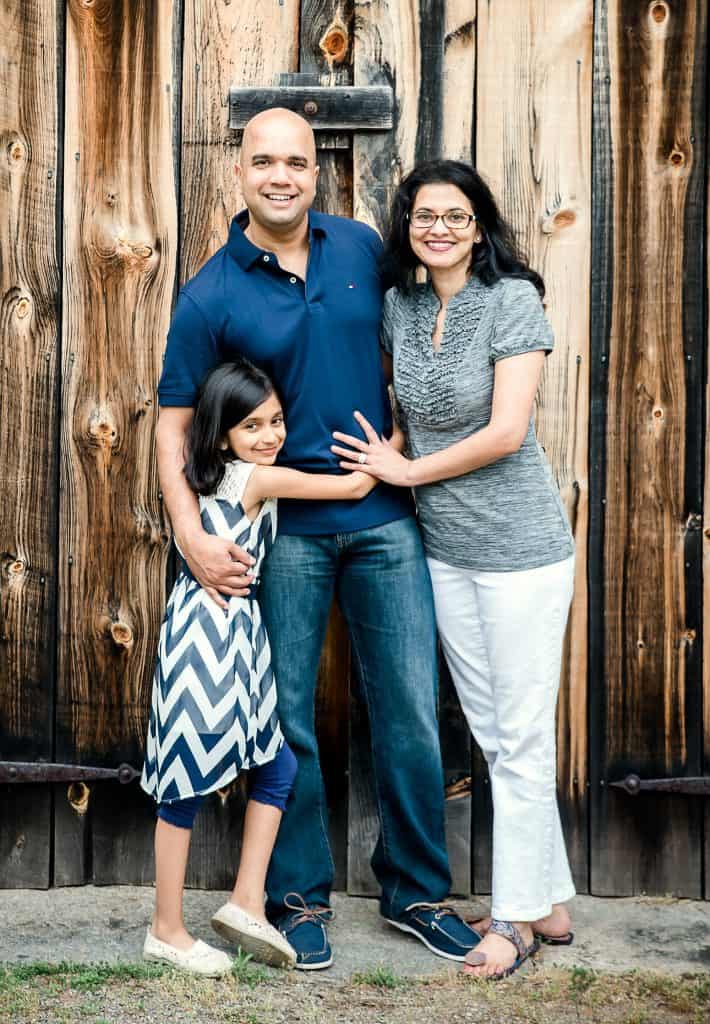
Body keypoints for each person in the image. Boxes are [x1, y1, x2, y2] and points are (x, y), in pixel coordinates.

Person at [153, 109, 480, 970]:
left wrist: (404, 444)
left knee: (409, 710)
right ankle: (296, 900)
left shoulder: (364, 248)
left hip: (383, 522)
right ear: (240, 172)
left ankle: (416, 892)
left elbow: (415, 342)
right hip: (281, 534)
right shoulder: (211, 291)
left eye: (296, 161)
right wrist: (189, 532)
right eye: (265, 161)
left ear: (315, 172)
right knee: (284, 721)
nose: (282, 176)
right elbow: (172, 425)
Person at [331, 159, 577, 979]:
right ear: (409, 227)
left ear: (480, 226)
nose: (439, 228)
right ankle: (551, 900)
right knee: (495, 734)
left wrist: (405, 475)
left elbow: (508, 431)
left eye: (456, 216)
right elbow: (412, 425)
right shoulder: (400, 306)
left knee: (519, 737)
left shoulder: (512, 300)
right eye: (424, 216)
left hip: (522, 552)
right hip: (447, 550)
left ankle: (513, 921)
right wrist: (382, 460)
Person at [142, 358, 383, 976]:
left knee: (275, 764)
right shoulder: (253, 479)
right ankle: (166, 929)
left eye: (276, 421)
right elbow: (355, 487)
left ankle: (247, 900)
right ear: (223, 435)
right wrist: (400, 437)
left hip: (234, 634)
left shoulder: (210, 474)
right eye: (252, 426)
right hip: (209, 636)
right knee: (187, 779)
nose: (271, 436)